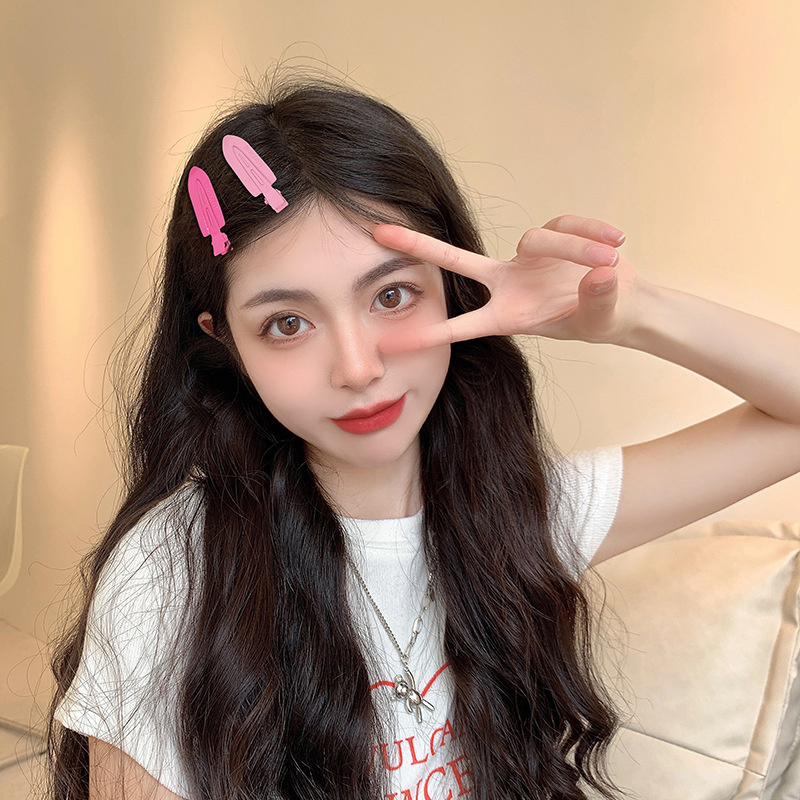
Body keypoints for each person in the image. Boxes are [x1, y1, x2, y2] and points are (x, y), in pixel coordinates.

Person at [47, 78, 800, 800]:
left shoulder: (519, 517)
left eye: (392, 294)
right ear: (225, 343)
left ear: (453, 291)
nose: (357, 367)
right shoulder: (174, 570)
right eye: (287, 323)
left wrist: (635, 314)